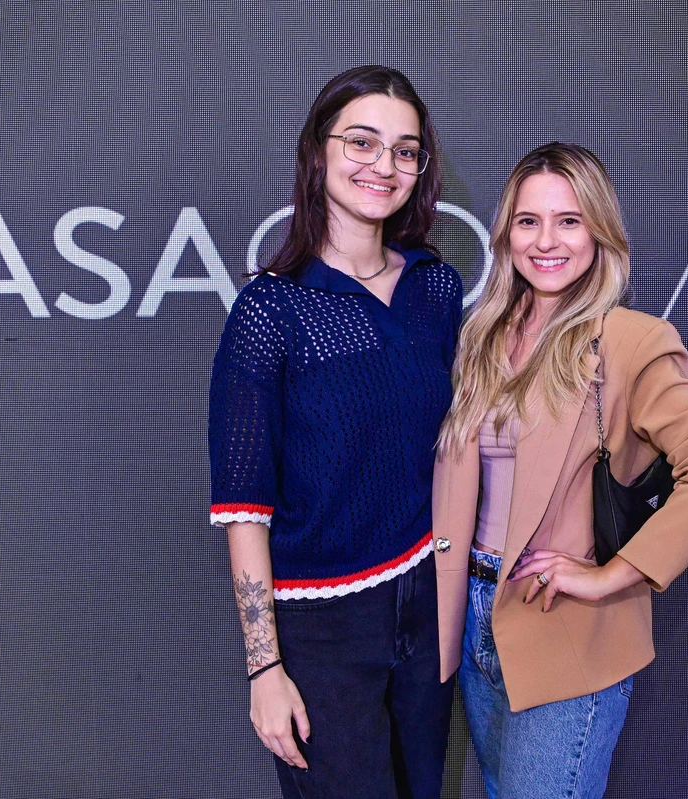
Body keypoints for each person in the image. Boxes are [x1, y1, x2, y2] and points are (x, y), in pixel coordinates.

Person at [432, 142, 688, 798]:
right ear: (506, 234)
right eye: (528, 221)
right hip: (473, 619)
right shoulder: (479, 337)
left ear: (600, 232)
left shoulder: (629, 340)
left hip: (563, 624)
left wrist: (611, 575)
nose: (547, 240)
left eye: (569, 220)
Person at [207, 65, 462, 799]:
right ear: (318, 153)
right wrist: (265, 668)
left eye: (405, 150)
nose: (384, 165)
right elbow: (243, 510)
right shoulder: (269, 311)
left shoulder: (434, 289)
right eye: (362, 141)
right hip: (320, 632)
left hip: (426, 607)